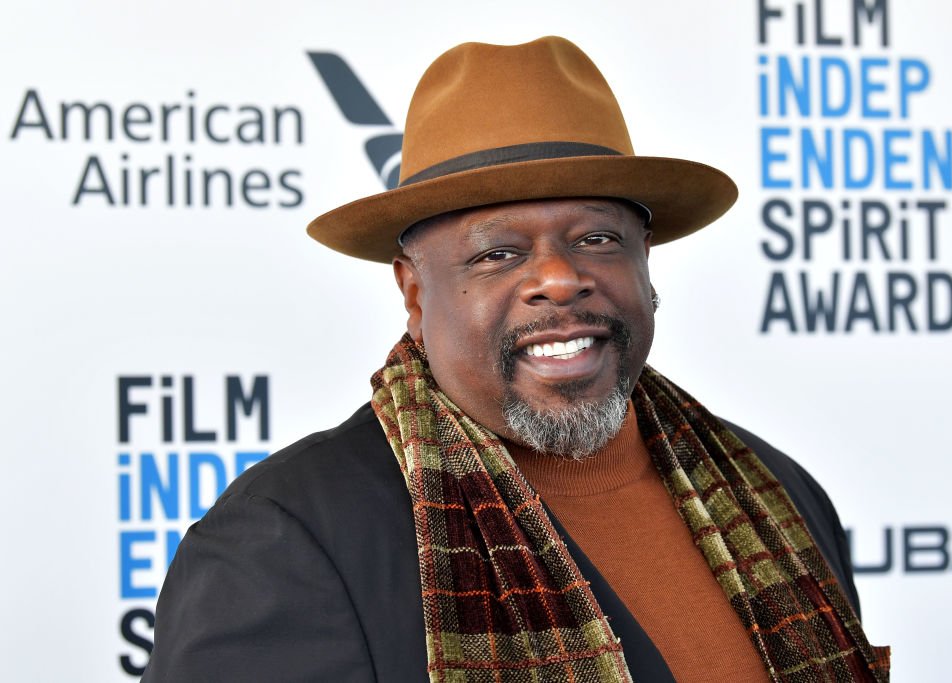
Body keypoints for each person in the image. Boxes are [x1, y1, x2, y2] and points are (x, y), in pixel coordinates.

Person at [145, 37, 889, 682]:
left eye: (597, 238)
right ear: (413, 292)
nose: (560, 279)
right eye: (499, 252)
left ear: (646, 264)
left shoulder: (776, 494)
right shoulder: (286, 544)